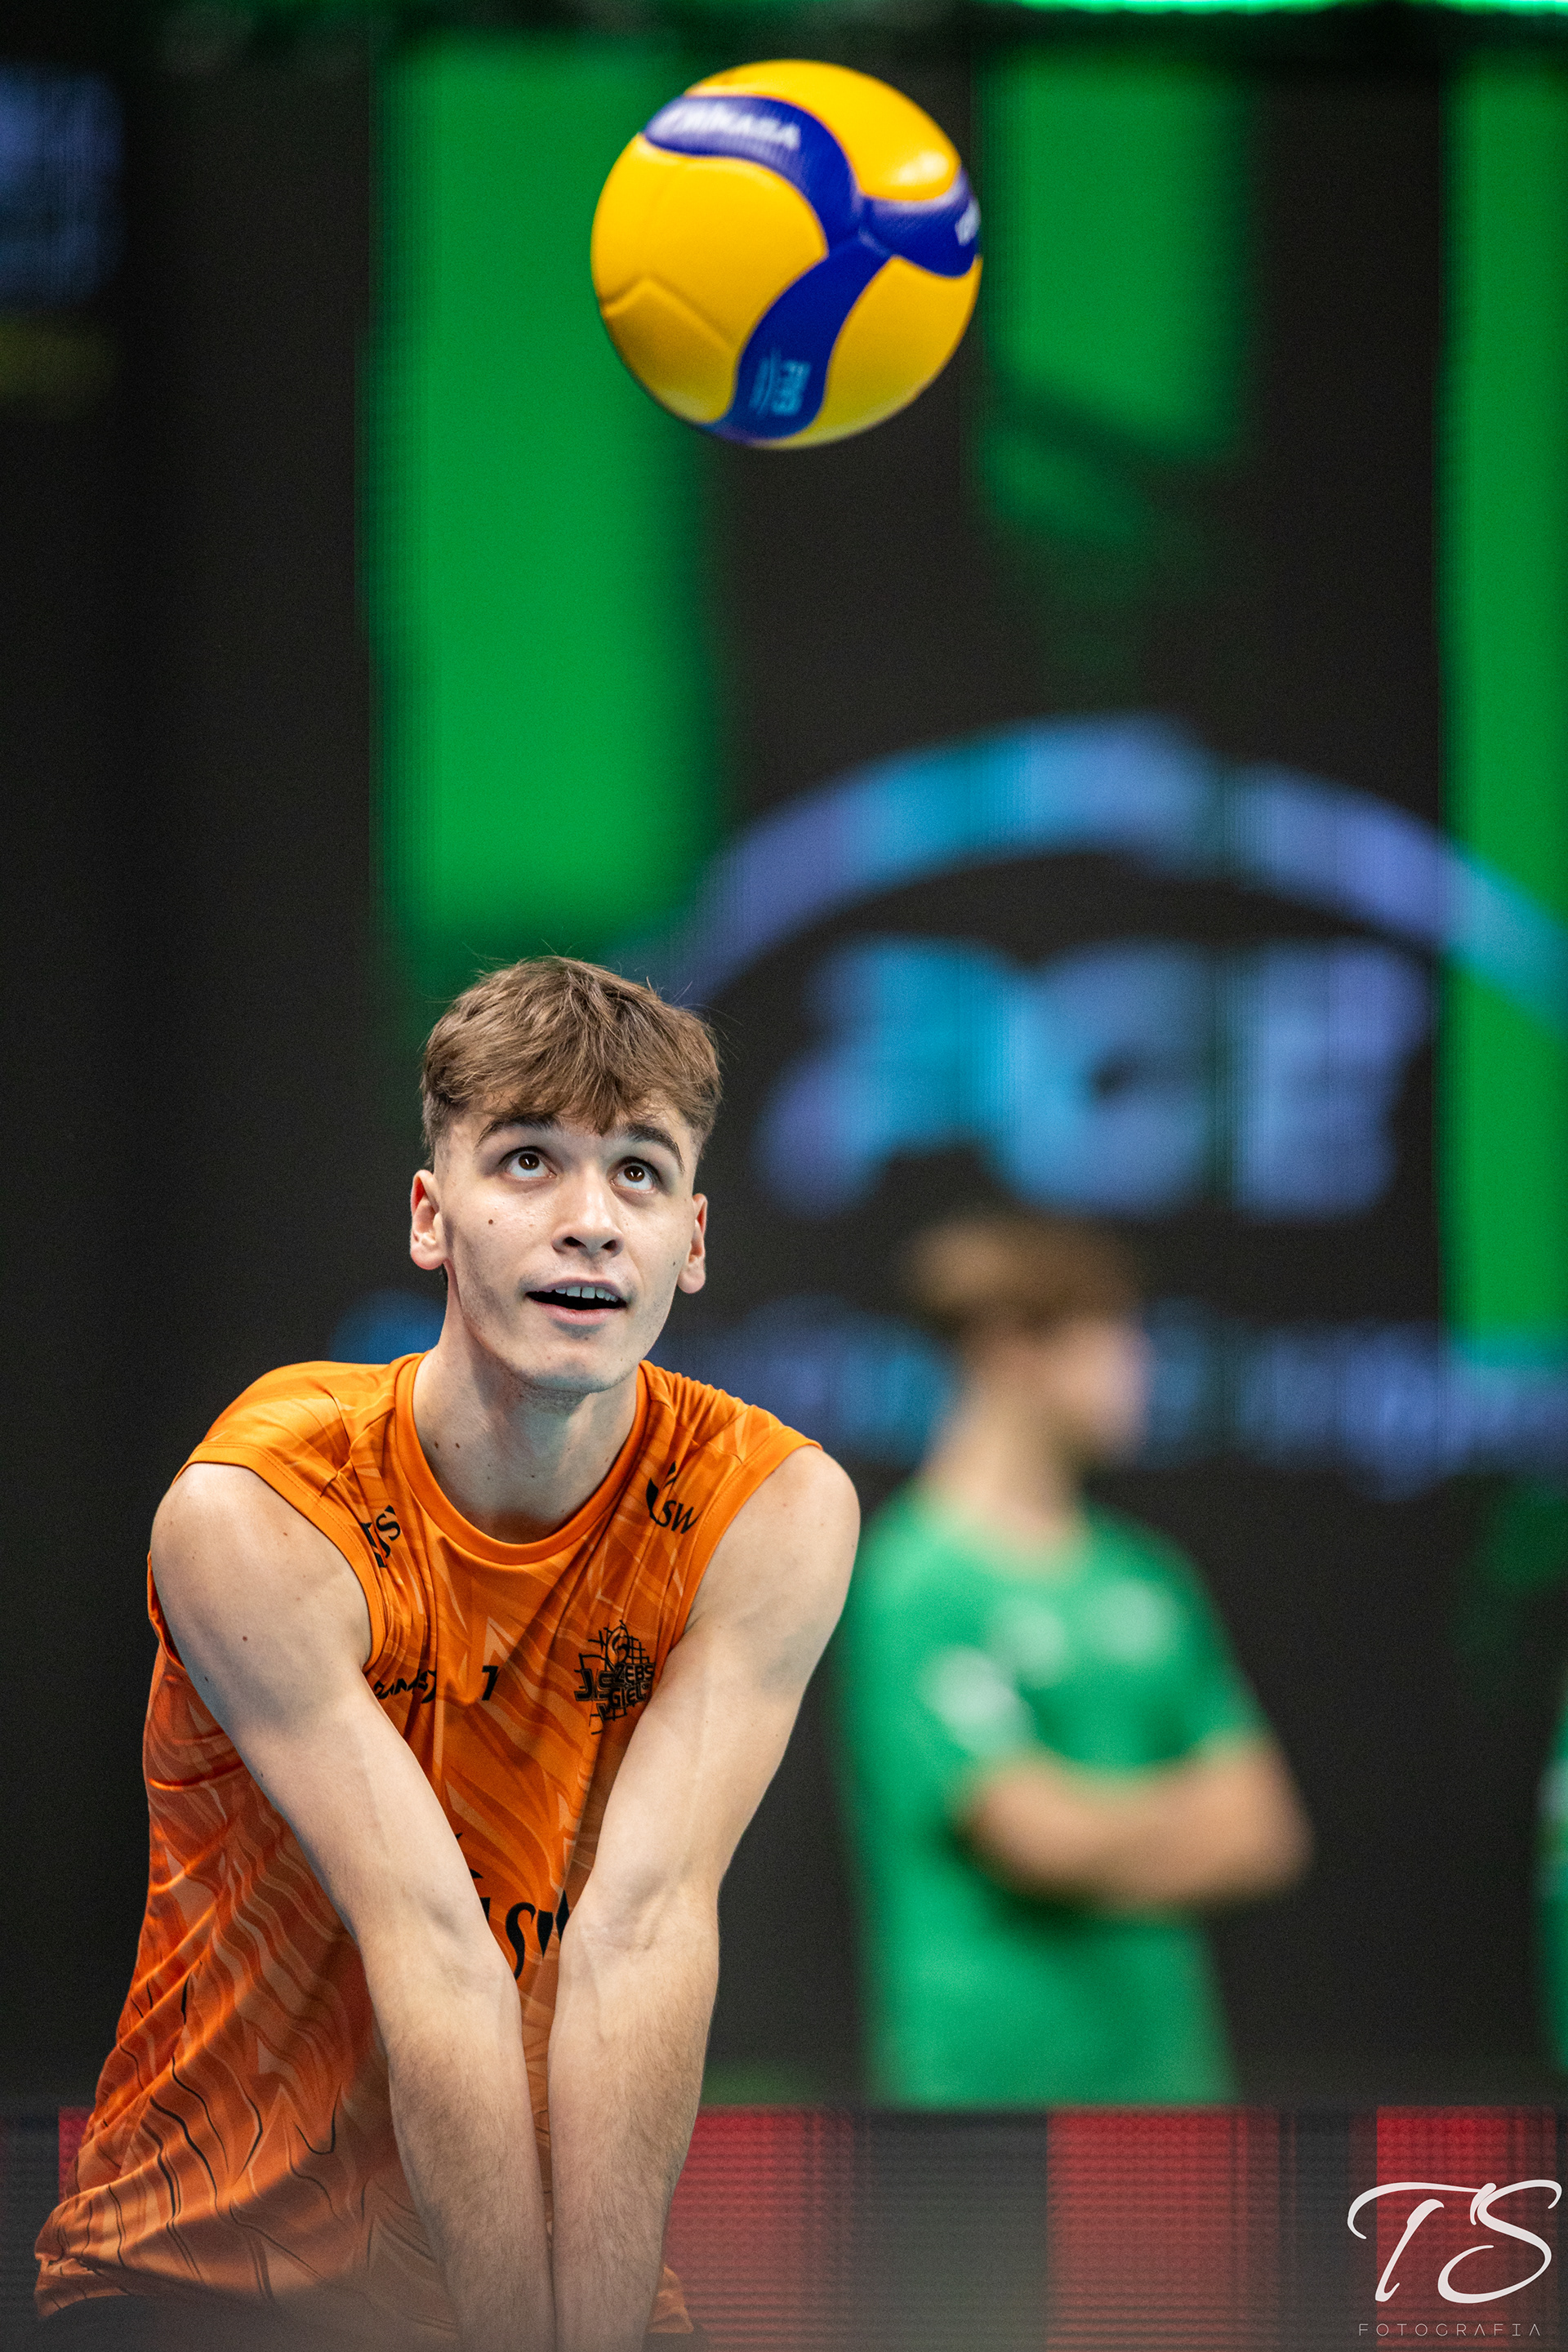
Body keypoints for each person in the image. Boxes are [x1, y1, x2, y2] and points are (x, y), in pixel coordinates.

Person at [36, 957, 858, 2352]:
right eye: (529, 1161)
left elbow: (643, 1933)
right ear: (431, 1215)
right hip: (200, 2280)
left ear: (694, 1241)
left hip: (561, 2292)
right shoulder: (262, 1506)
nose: (590, 1220)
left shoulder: (768, 1510)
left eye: (640, 1173)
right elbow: (433, 1945)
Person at [838, 1210, 1310, 2107]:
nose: (1144, 1371)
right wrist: (1186, 1820)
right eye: (1116, 1340)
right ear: (1016, 1350)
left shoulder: (1148, 1577)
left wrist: (1095, 1830)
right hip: (987, 2106)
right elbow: (1033, 1835)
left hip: (1169, 2094)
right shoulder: (917, 1579)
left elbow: (1264, 1831)